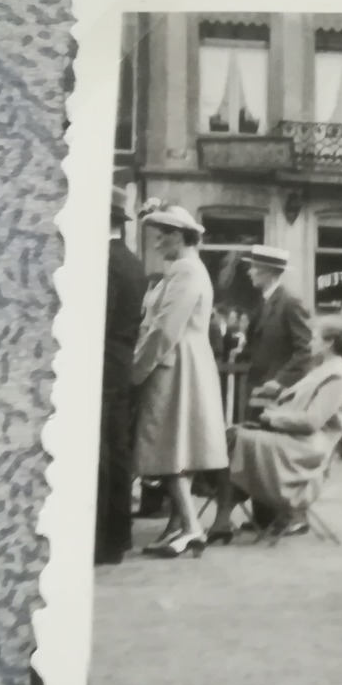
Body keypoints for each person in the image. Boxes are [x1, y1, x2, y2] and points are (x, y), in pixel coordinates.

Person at [130, 205, 229, 558]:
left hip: (175, 367)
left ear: (178, 236)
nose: (157, 244)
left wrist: (136, 370)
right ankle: (179, 527)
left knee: (165, 447)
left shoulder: (185, 270)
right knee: (175, 449)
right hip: (182, 362)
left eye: (162, 236)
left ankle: (190, 527)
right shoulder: (185, 269)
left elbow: (165, 329)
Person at [206, 316, 342, 543]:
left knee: (235, 438)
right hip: (293, 441)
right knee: (233, 435)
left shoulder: (337, 376)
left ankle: (222, 515)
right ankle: (223, 515)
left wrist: (272, 419)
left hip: (306, 450)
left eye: (315, 337)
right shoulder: (323, 370)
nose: (310, 342)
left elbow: (312, 421)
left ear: (329, 342)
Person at [95, 185, 147, 565]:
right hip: (121, 360)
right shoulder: (131, 261)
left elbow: (101, 319)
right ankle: (118, 536)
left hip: (101, 363)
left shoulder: (104, 262)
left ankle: (104, 540)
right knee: (116, 450)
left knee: (101, 452)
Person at [242, 245, 315, 414]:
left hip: (278, 393)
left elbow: (306, 349)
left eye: (254, 268)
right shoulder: (265, 302)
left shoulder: (290, 302)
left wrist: (281, 381)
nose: (249, 272)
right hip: (260, 387)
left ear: (268, 272)